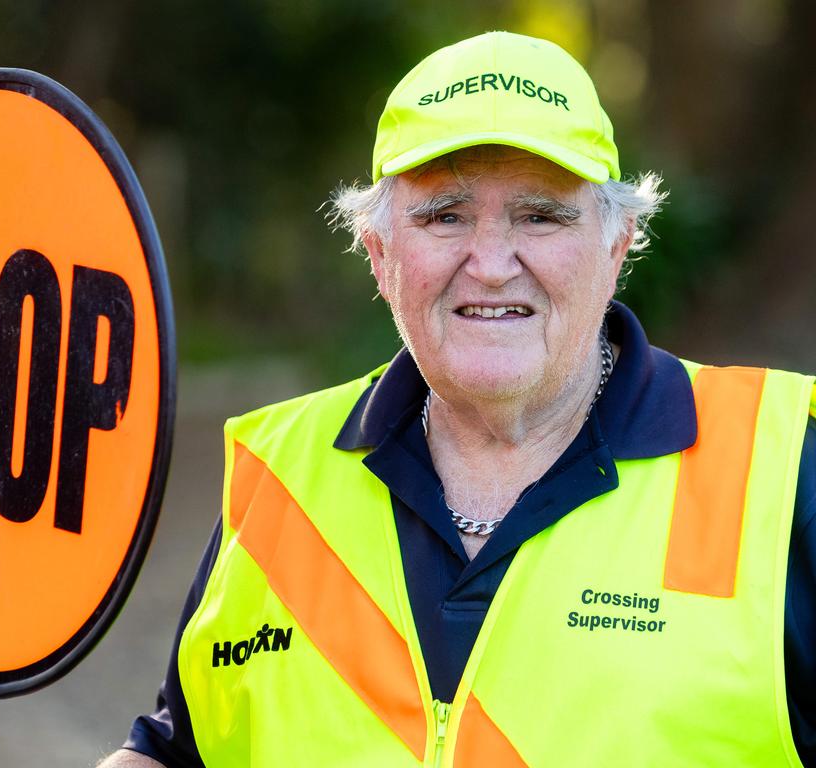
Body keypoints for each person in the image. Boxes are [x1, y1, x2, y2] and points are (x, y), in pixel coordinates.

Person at [100, 30, 816, 767]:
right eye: (445, 216)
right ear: (379, 255)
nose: (492, 264)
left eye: (540, 215)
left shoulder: (786, 465)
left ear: (617, 244)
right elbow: (177, 748)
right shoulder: (280, 476)